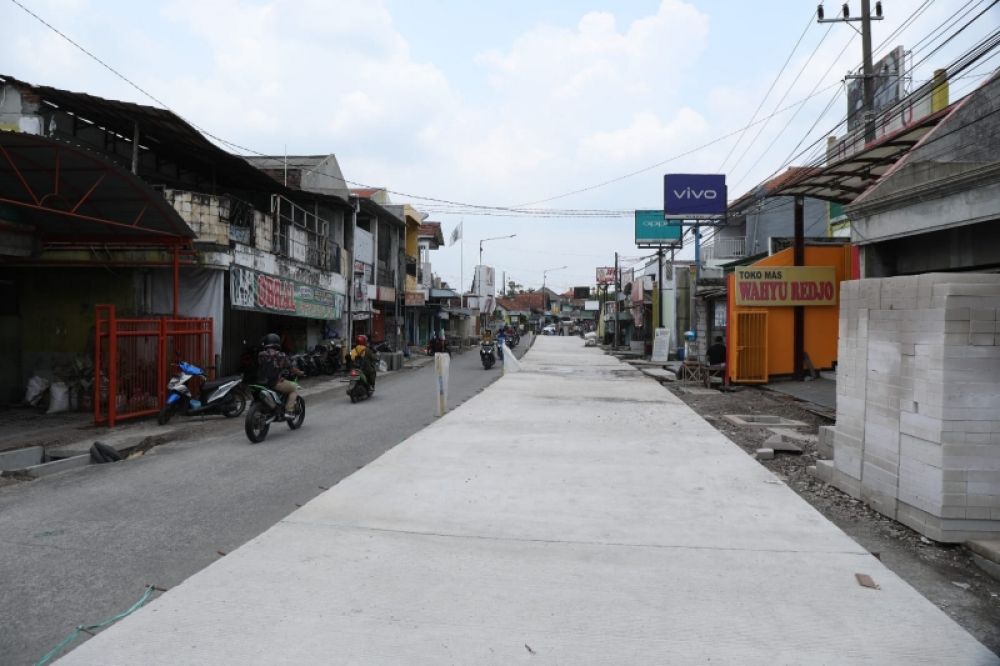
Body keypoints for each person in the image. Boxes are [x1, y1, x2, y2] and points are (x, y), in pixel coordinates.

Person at [257, 333, 303, 418]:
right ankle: (289, 411)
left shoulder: (260, 355)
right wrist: (300, 372)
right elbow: (291, 368)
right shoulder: (281, 355)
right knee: (295, 387)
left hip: (261, 382)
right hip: (275, 383)